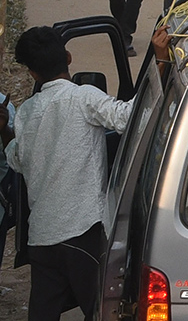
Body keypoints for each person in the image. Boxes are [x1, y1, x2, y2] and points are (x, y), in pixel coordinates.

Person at [0, 25, 170, 321]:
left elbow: (15, 157)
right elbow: (129, 117)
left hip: (41, 238)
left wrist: (4, 130)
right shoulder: (83, 98)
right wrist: (160, 61)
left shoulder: (26, 113)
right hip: (83, 233)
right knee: (101, 311)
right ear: (68, 57)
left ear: (32, 74)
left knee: (42, 313)